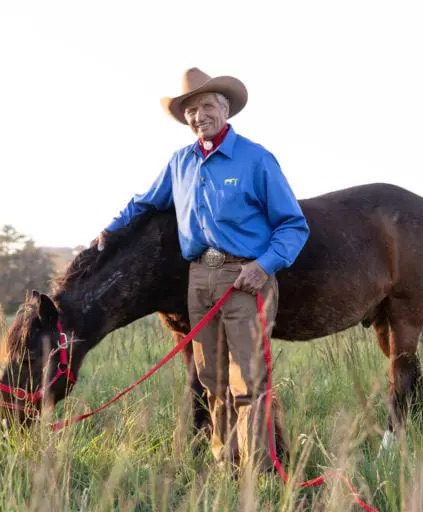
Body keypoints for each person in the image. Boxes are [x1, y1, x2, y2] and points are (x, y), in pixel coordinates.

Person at [97, 68, 309, 472]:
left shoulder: (256, 159)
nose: (199, 116)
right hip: (200, 278)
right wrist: (110, 230)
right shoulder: (181, 162)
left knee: (248, 382)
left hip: (245, 279)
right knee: (212, 382)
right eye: (191, 111)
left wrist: (264, 267)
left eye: (207, 106)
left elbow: (293, 226)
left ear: (225, 108)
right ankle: (225, 464)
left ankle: (259, 472)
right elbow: (144, 203)